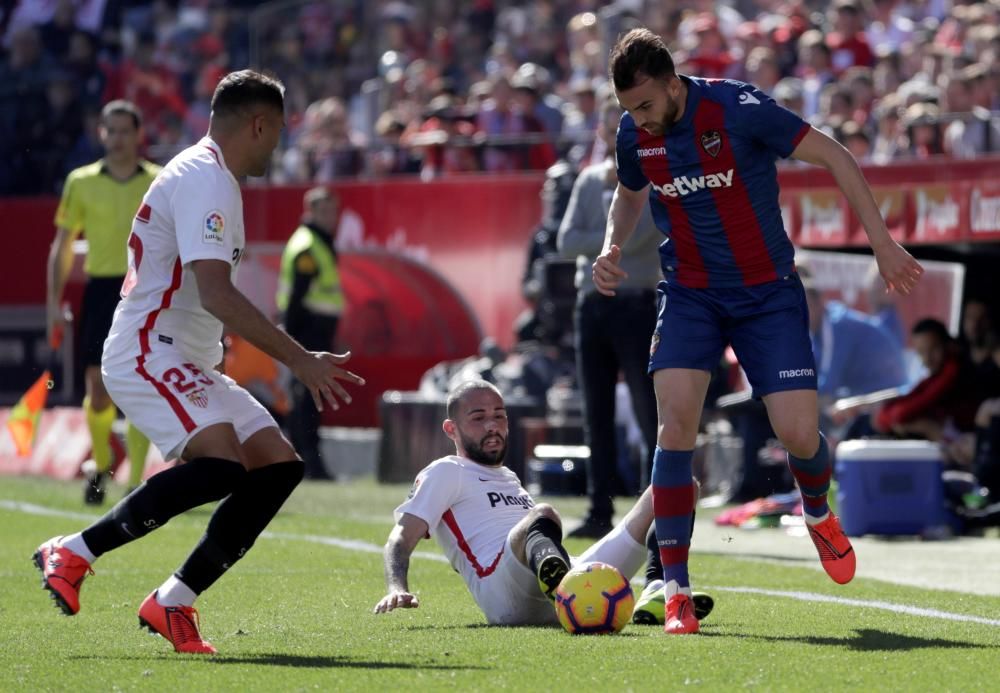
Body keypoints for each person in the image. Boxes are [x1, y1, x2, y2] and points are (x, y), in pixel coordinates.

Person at [595, 29, 923, 634]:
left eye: (645, 106)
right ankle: (674, 588)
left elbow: (837, 156)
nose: (638, 121)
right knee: (675, 428)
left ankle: (820, 513)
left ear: (673, 85)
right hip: (690, 292)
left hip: (766, 295)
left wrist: (883, 244)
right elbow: (628, 192)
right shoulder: (634, 132)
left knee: (799, 433)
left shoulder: (738, 109)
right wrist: (613, 243)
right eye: (628, 111)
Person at [32, 70, 364, 655]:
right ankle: (75, 551)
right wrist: (300, 359)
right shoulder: (205, 178)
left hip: (189, 359)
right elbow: (215, 294)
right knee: (221, 466)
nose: (278, 144)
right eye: (278, 131)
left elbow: (212, 295)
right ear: (258, 124)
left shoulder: (213, 177)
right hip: (148, 348)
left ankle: (173, 600)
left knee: (278, 467)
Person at [373, 380, 713, 627]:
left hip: (555, 572)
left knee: (678, 487)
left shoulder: (509, 477)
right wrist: (396, 588)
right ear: (452, 429)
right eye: (478, 418)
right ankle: (566, 586)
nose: (492, 426)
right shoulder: (445, 471)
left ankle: (657, 588)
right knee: (544, 514)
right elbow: (400, 538)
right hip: (503, 593)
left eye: (499, 416)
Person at [557, 94, 662, 538]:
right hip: (593, 303)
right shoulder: (586, 181)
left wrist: (603, 241)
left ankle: (654, 508)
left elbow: (645, 235)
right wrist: (612, 239)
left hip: (636, 299)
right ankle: (599, 507)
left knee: (647, 409)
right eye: (607, 123)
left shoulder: (654, 179)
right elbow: (565, 241)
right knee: (595, 410)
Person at [47, 99, 160, 503]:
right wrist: (52, 306)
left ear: (138, 134)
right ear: (101, 134)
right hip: (100, 291)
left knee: (142, 384)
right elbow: (62, 246)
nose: (117, 138)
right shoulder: (81, 181)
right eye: (110, 130)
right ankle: (100, 469)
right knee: (98, 386)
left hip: (146, 290)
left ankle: (137, 484)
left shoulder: (159, 180)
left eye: (125, 130)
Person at [276, 186, 346, 480]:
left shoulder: (319, 242)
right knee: (308, 399)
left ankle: (309, 462)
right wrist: (294, 347)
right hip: (307, 334)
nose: (332, 217)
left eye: (334, 211)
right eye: (325, 211)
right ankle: (309, 463)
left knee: (310, 398)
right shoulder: (308, 246)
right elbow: (296, 301)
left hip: (313, 334)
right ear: (311, 211)